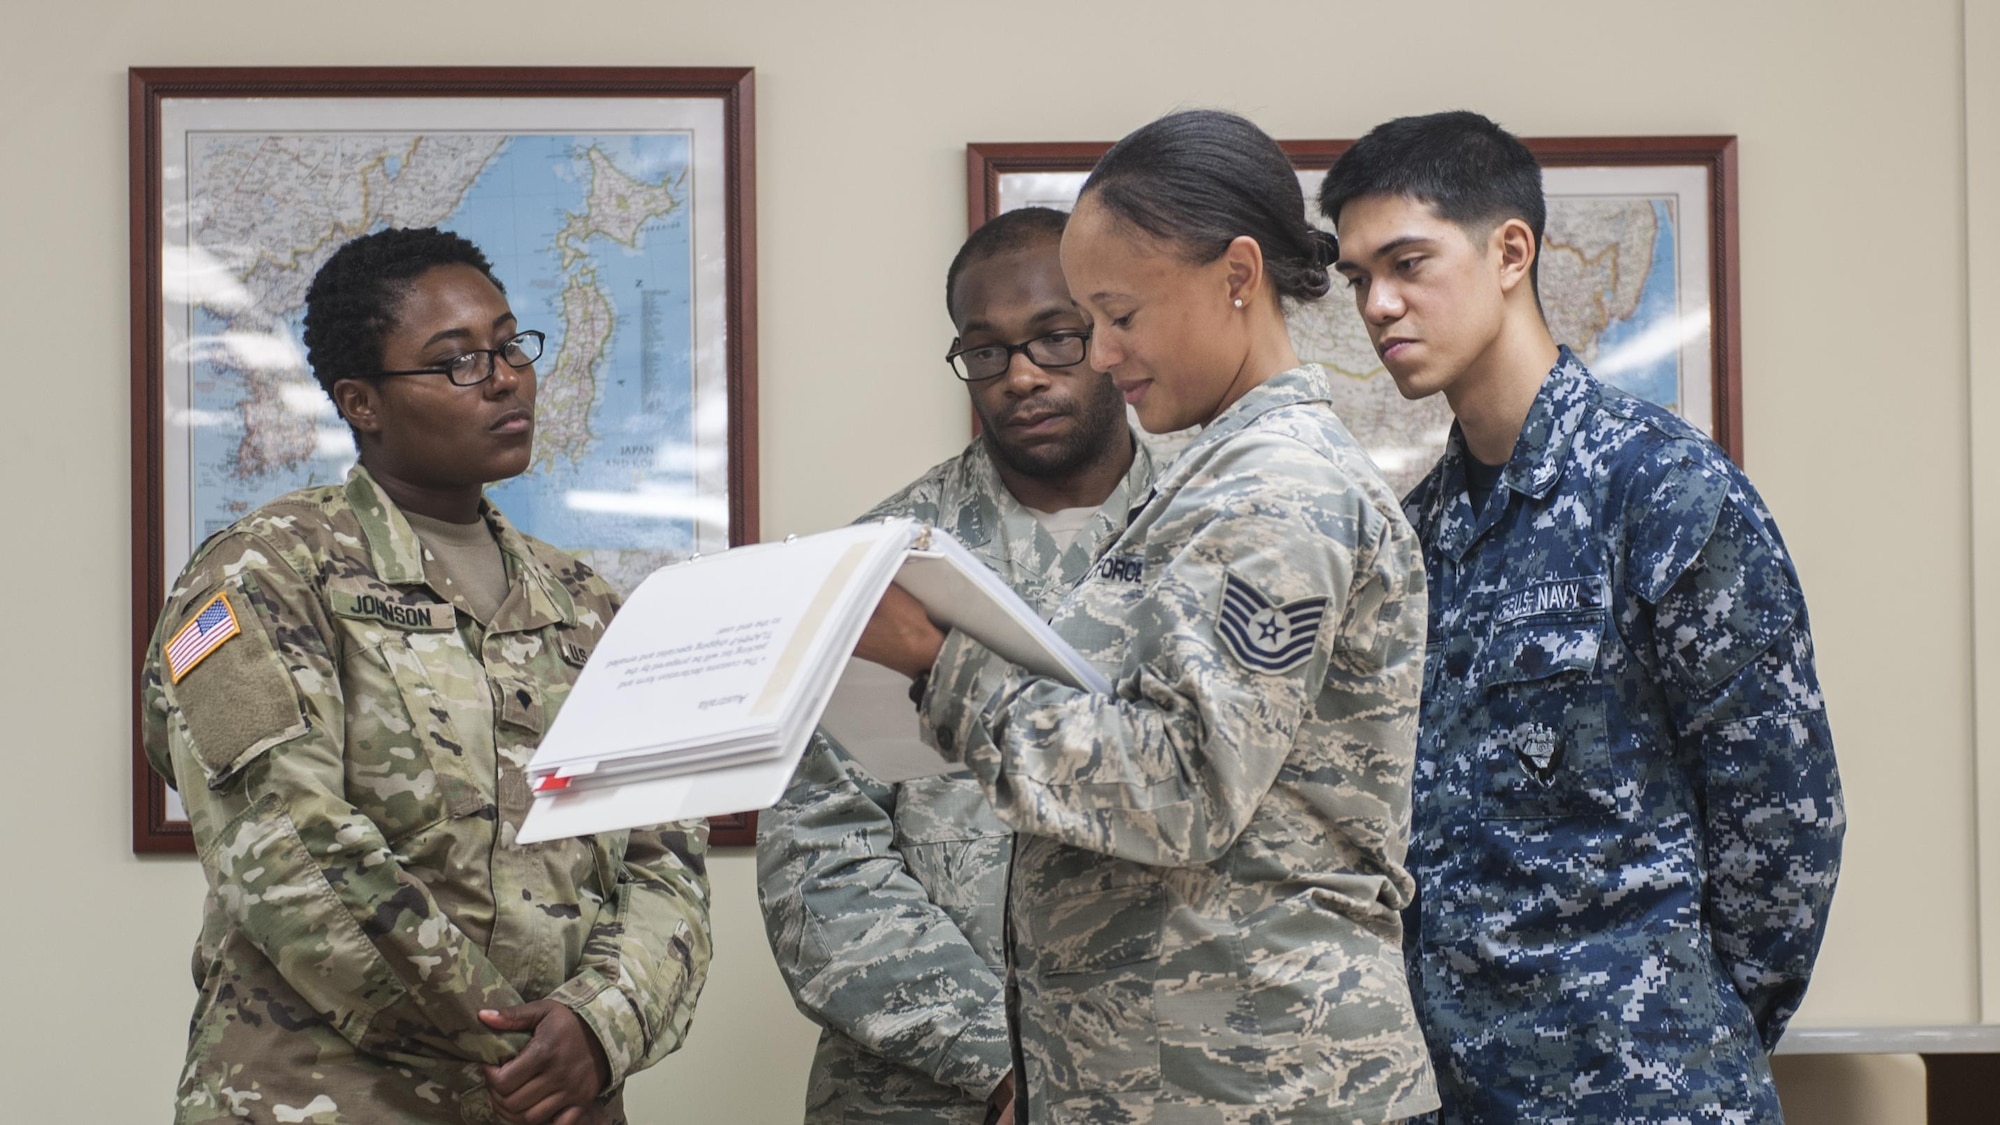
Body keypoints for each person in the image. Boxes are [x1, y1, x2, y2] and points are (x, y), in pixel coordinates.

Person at [857, 110, 1439, 1124]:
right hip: (1180, 1082)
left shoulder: (1276, 493)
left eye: (1119, 314)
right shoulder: (1212, 478)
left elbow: (1180, 788)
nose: (1105, 354)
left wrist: (938, 660)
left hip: (1262, 1085)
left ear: (1236, 275)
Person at [1320, 111, 1845, 1122]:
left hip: (1641, 1091)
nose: (1377, 305)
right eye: (1355, 278)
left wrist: (1679, 1029)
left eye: (1405, 262)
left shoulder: (1658, 490)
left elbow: (1783, 824)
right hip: (1458, 1093)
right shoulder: (1420, 532)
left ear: (1508, 251)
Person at [141, 226, 712, 1125]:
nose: (504, 377)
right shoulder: (266, 574)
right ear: (361, 401)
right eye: (455, 362)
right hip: (330, 1098)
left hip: (559, 1100)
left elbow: (665, 856)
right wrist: (518, 1043)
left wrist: (599, 1025)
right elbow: (287, 850)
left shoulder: (587, 604)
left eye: (510, 344)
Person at [756, 206, 1151, 1125]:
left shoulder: (1214, 534)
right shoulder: (874, 570)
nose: (1018, 376)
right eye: (985, 351)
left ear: (1110, 331)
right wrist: (1006, 1062)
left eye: (1055, 338)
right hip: (922, 1097)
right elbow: (817, 862)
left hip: (1163, 1076)